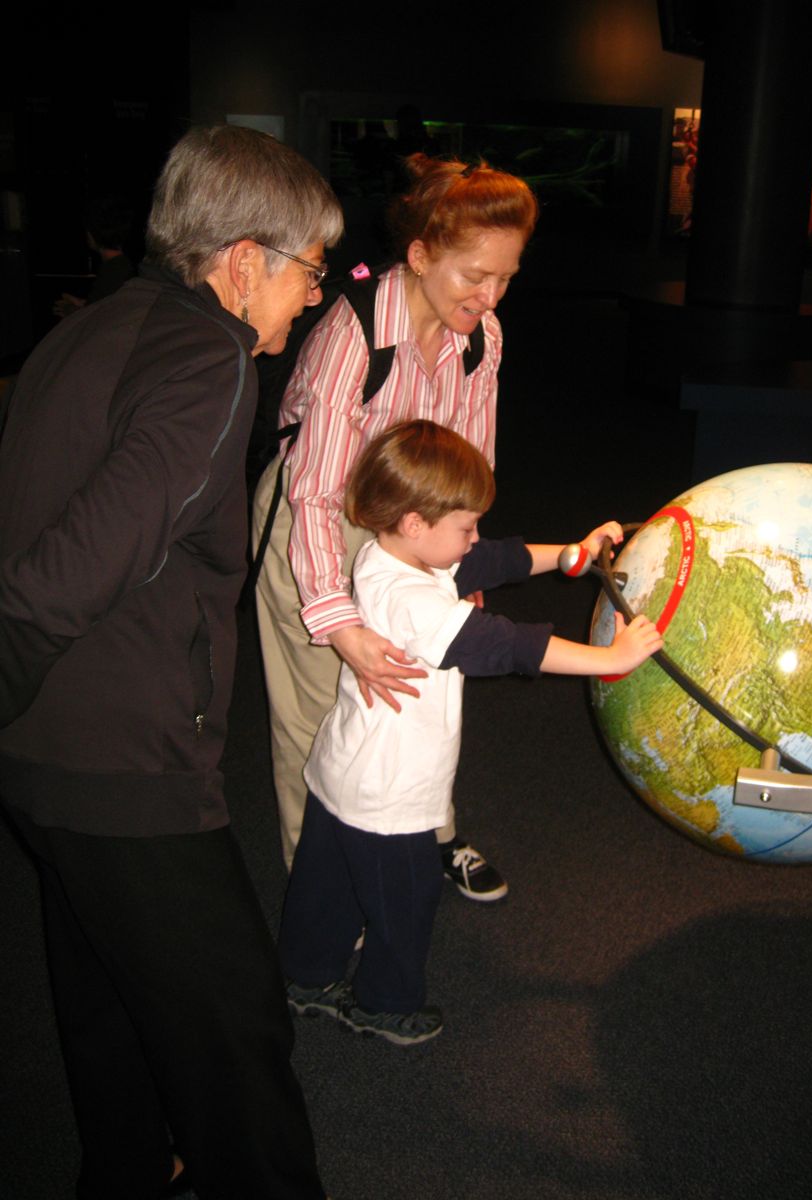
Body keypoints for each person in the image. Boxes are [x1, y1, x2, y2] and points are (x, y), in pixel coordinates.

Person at [0, 124, 342, 1200]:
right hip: (125, 771)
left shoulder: (85, 330)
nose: (313, 300)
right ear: (245, 261)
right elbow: (68, 570)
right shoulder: (209, 357)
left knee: (107, 1008)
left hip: (41, 763)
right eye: (310, 273)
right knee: (237, 1043)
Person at [278, 420, 663, 1045]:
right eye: (464, 525)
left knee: (329, 883)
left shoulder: (388, 557)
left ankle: (305, 975)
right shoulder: (414, 601)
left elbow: (494, 559)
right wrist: (610, 659)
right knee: (406, 900)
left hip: (342, 773)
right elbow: (504, 645)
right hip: (392, 798)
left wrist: (575, 551)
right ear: (414, 522)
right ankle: (383, 1002)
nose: (473, 537)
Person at [253, 153, 539, 900]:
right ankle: (317, 892)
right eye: (474, 274)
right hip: (317, 519)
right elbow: (314, 495)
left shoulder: (484, 336)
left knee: (422, 688)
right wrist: (337, 619)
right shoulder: (353, 335)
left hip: (411, 523)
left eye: (505, 275)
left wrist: (460, 563)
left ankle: (431, 833)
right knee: (321, 715)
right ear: (419, 255)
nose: (490, 293)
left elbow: (468, 467)